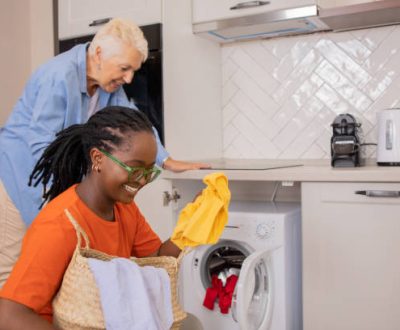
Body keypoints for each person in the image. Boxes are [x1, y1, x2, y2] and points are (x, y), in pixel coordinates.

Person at [0, 17, 209, 287]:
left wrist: (167, 160)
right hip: (16, 178)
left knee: (49, 269)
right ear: (98, 54)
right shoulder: (58, 76)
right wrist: (69, 198)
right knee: (11, 268)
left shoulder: (109, 86)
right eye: (124, 68)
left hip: (54, 184)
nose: (129, 78)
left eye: (133, 70)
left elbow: (131, 120)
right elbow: (41, 145)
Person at [0, 106, 182, 329]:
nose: (142, 181)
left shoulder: (125, 209)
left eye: (148, 172)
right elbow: (10, 315)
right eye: (135, 169)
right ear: (97, 158)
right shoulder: (59, 224)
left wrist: (191, 228)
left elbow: (158, 257)